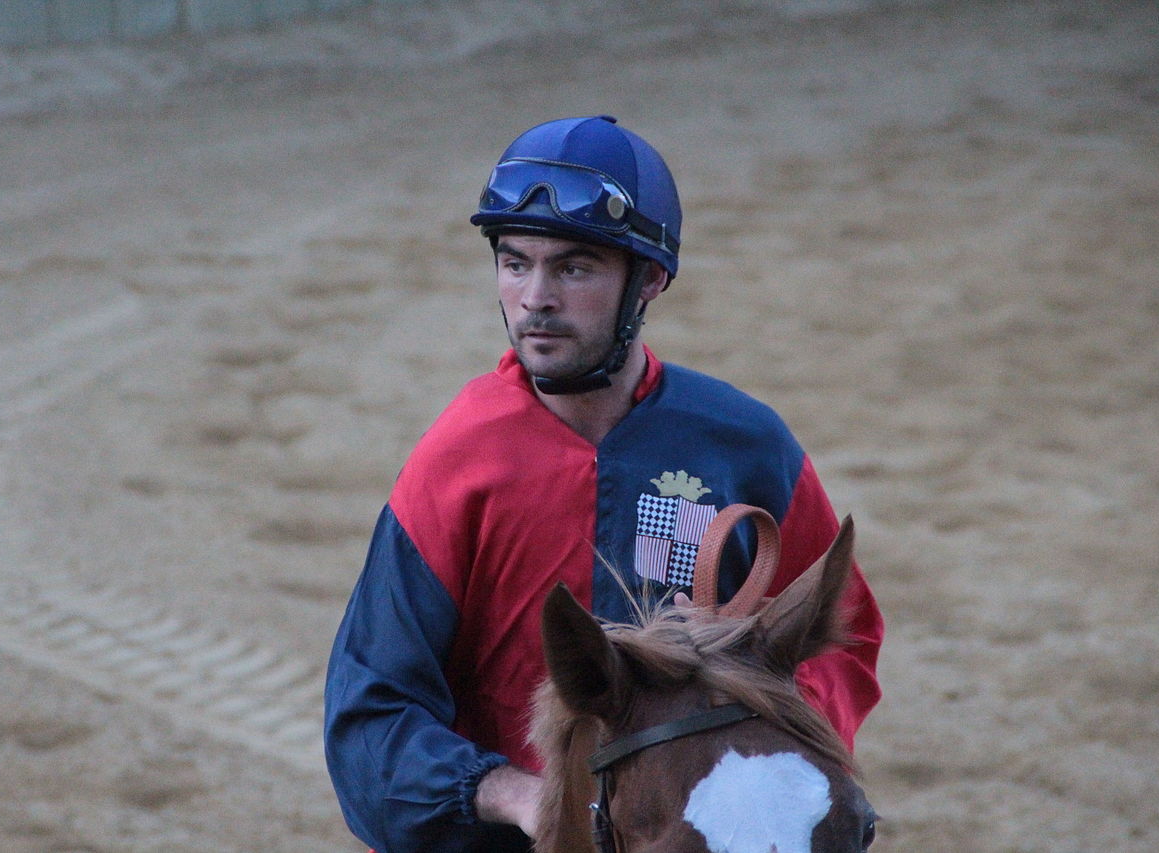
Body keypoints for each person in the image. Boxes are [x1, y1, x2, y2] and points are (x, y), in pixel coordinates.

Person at [324, 115, 883, 853]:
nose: (534, 298)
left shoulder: (744, 443)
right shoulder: (455, 464)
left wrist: (765, 755)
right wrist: (522, 795)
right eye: (515, 262)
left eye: (574, 267)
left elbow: (841, 639)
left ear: (649, 278)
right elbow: (370, 716)